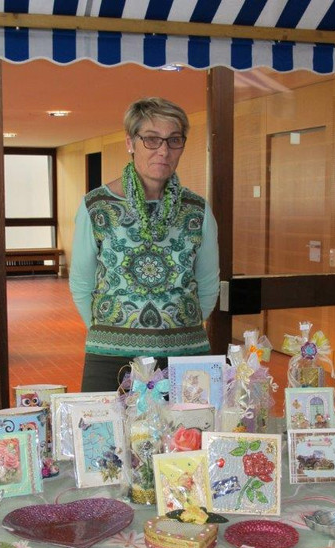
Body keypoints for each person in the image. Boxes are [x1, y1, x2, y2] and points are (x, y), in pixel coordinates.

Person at [69, 97, 220, 392]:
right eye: (151, 139)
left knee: (192, 424)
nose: (163, 150)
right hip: (110, 358)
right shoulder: (97, 206)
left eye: (174, 140)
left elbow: (208, 285)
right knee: (106, 425)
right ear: (130, 142)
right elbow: (81, 284)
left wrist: (178, 328)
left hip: (185, 357)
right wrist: (109, 333)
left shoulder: (197, 210)